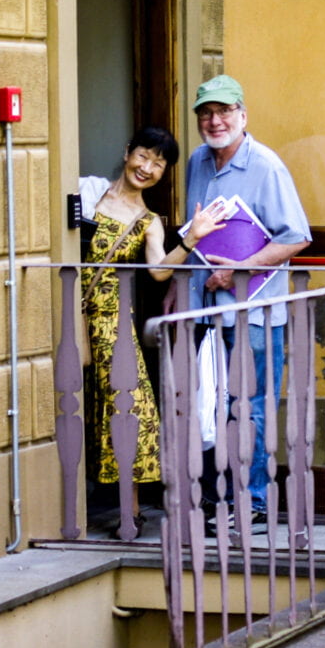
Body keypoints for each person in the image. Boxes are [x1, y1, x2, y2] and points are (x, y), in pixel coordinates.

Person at [82, 126, 226, 537]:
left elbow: (159, 270)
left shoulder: (149, 222)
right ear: (128, 152)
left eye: (158, 164)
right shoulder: (87, 195)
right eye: (143, 156)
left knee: (128, 408)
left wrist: (192, 237)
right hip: (72, 317)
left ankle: (130, 512)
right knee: (79, 406)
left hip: (113, 324)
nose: (146, 168)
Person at [185, 75, 312, 530]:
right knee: (209, 402)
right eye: (206, 113)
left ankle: (255, 501)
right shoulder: (198, 161)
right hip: (205, 309)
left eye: (224, 111)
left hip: (254, 313)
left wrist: (239, 271)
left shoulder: (267, 166)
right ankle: (218, 495)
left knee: (251, 405)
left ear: (243, 115)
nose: (214, 120)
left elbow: (295, 237)